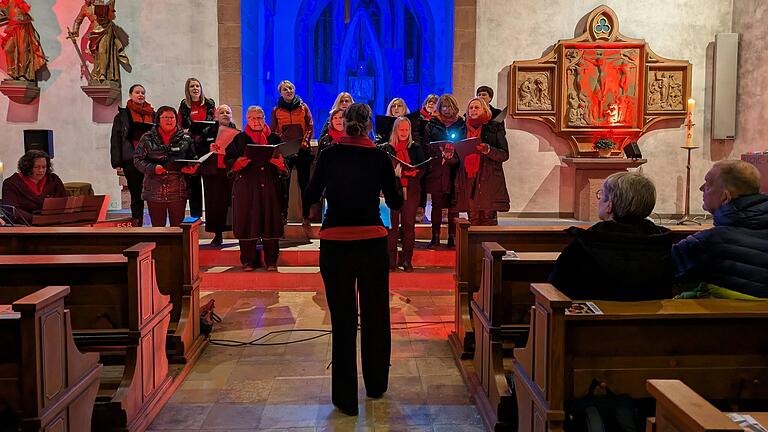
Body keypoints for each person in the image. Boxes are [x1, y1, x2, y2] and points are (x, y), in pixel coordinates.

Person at [303, 103, 402, 416]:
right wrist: (394, 178)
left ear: (343, 124)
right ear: (370, 124)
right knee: (375, 316)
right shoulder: (379, 157)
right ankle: (375, 386)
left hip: (335, 244)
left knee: (343, 321)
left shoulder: (329, 155)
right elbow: (397, 202)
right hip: (372, 243)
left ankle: (346, 400)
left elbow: (310, 195)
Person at [548, 172, 674, 300]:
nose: (599, 200)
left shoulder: (585, 244)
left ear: (610, 205)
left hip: (591, 318)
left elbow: (557, 286)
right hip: (651, 318)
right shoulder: (662, 243)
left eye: (601, 195)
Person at [672, 160, 768, 299]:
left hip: (726, 319)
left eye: (708, 184)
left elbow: (661, 267)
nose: (701, 188)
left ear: (725, 197)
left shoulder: (710, 241)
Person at [225, 106, 286, 272]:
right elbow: (228, 160)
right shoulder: (239, 139)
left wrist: (280, 164)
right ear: (247, 119)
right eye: (252, 118)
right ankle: (248, 261)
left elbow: (285, 161)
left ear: (264, 118)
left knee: (270, 221)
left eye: (259, 117)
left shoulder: (274, 138)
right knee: (247, 221)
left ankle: (271, 261)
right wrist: (237, 163)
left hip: (270, 186)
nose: (256, 121)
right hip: (247, 186)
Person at [133, 106, 197, 227]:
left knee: (178, 228)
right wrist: (153, 168)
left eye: (172, 117)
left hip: (178, 189)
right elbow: (137, 160)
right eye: (166, 117)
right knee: (158, 227)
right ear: (158, 120)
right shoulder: (147, 138)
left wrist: (192, 168)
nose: (169, 120)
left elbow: (193, 159)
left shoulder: (186, 138)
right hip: (154, 188)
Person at [379, 117, 426, 272]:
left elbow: (424, 167)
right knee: (391, 226)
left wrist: (414, 172)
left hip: (411, 189)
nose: (404, 133)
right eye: (401, 129)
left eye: (407, 130)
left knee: (408, 225)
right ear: (395, 130)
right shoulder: (387, 148)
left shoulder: (415, 147)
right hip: (392, 189)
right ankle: (391, 261)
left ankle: (406, 260)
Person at [453, 98, 510, 225]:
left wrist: (488, 150)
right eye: (471, 107)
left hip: (488, 180)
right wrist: (449, 154)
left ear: (484, 109)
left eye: (476, 107)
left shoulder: (494, 128)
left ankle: (489, 245)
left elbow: (504, 154)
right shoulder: (461, 129)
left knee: (488, 220)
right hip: (468, 180)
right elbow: (456, 159)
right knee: (472, 220)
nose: (473, 110)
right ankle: (473, 246)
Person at [270, 80, 314, 225]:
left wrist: (305, 141)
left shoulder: (303, 107)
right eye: (285, 89)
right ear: (280, 93)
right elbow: (273, 131)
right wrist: (282, 144)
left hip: (302, 149)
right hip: (286, 151)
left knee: (305, 184)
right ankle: (284, 216)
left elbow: (310, 126)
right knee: (284, 184)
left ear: (294, 90)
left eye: (290, 88)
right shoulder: (276, 110)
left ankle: (306, 215)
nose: (288, 91)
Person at [423, 94, 464, 248]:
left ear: (455, 107)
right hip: (437, 168)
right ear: (439, 108)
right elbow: (426, 145)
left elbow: (464, 144)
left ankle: (452, 238)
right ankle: (435, 237)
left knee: (454, 205)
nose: (447, 109)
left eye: (449, 106)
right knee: (437, 204)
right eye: (444, 106)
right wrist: (438, 150)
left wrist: (454, 153)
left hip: (455, 168)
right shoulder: (432, 124)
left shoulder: (461, 124)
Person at [111, 83, 154, 226]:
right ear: (130, 95)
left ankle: (157, 227)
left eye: (143, 92)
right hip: (131, 158)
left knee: (153, 195)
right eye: (137, 92)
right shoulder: (123, 115)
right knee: (136, 195)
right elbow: (116, 139)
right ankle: (138, 225)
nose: (141, 95)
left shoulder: (152, 113)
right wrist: (117, 162)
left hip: (150, 159)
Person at [178, 77, 216, 219]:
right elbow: (179, 126)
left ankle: (211, 217)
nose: (195, 88)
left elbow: (214, 123)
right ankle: (196, 217)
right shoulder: (184, 105)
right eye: (192, 86)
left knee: (210, 184)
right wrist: (186, 131)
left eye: (197, 86)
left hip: (206, 147)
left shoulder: (209, 103)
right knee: (194, 184)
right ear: (188, 90)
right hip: (191, 147)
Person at [200, 104, 237, 246]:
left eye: (228, 112)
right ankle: (217, 235)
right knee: (214, 204)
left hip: (229, 172)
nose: (225, 114)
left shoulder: (237, 132)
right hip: (212, 172)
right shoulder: (207, 131)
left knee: (233, 203)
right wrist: (208, 148)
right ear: (216, 116)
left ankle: (237, 232)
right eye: (221, 112)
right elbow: (198, 149)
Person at [68, 0, 130, 83]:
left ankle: (102, 74)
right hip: (94, 33)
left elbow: (112, 14)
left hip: (105, 29)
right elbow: (77, 21)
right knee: (96, 53)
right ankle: (98, 73)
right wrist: (75, 31)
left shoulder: (102, 4)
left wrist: (109, 9)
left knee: (103, 51)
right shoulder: (85, 8)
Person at [1, 150, 66, 225]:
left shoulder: (54, 180)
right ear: (27, 167)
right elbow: (11, 210)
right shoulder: (12, 183)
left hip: (53, 223)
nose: (41, 170)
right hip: (23, 225)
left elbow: (63, 202)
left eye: (44, 167)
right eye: (36, 167)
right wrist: (37, 219)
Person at [0, 0, 47, 81]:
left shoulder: (18, 1)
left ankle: (23, 74)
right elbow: (4, 15)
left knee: (23, 50)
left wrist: (17, 18)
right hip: (13, 29)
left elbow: (24, 16)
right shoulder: (4, 3)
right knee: (8, 49)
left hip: (22, 28)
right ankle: (14, 73)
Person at [416, 94, 439, 222]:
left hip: (434, 153)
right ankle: (420, 209)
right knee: (422, 182)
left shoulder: (439, 119)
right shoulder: (418, 118)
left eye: (434, 103)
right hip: (421, 154)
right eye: (429, 102)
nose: (431, 105)